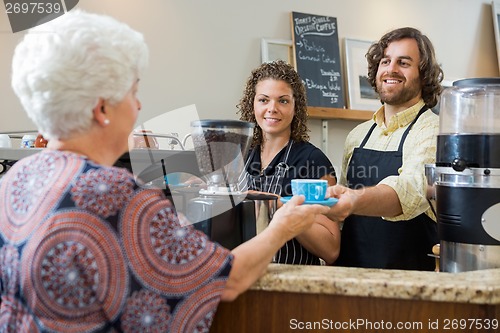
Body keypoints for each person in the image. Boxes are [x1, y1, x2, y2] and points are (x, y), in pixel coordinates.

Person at [0, 10, 330, 333]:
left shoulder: (16, 178)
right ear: (102, 109)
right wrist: (281, 228)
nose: (139, 105)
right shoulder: (117, 195)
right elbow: (225, 281)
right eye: (133, 93)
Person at [325, 27, 443, 271]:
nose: (391, 69)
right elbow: (341, 222)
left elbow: (412, 189)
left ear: (423, 74)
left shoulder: (433, 131)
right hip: (351, 278)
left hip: (409, 285)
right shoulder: (357, 136)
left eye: (404, 62)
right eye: (385, 61)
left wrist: (353, 199)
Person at [237, 60, 340, 265]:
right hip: (244, 275)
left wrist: (281, 206)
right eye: (264, 100)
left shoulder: (313, 161)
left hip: (291, 283)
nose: (272, 108)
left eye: (283, 101)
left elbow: (331, 248)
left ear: (296, 107)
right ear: (253, 103)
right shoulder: (241, 155)